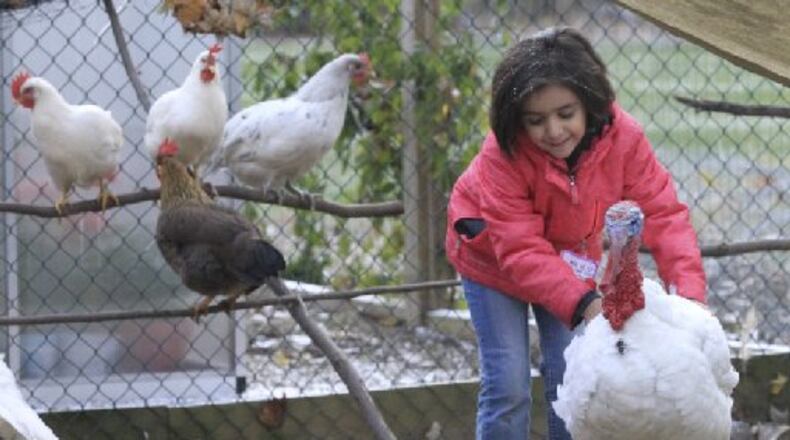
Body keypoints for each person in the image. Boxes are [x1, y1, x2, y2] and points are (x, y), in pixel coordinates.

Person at [445, 26, 706, 439]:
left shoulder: (625, 139)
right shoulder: (502, 153)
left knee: (572, 374)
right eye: (536, 120)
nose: (553, 131)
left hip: (567, 259)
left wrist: (689, 300)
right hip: (491, 261)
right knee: (507, 382)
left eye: (565, 114)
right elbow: (518, 247)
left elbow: (663, 214)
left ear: (590, 101)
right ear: (516, 118)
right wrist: (586, 304)